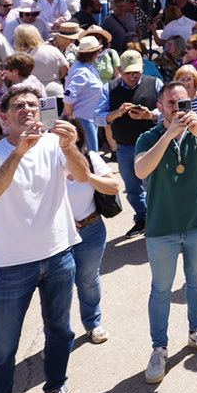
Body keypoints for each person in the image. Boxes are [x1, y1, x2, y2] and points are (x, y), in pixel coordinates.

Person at [0, 86, 92, 393]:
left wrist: (71, 145)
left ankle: (56, 389)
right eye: (18, 106)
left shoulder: (54, 144)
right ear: (4, 116)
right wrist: (19, 152)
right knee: (5, 346)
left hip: (58, 253)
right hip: (12, 264)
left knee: (60, 332)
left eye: (32, 104)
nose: (27, 110)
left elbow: (83, 176)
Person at [134, 80, 197, 383]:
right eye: (171, 104)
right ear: (160, 107)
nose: (178, 109)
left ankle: (196, 331)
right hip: (163, 225)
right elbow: (140, 170)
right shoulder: (149, 136)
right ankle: (159, 347)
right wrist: (169, 135)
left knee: (196, 280)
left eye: (183, 103)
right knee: (161, 289)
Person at [64, 121, 120, 344]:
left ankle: (93, 323)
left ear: (78, 136)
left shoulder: (90, 157)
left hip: (90, 229)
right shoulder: (45, 161)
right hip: (58, 235)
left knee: (87, 280)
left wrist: (85, 174)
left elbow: (113, 187)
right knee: (59, 288)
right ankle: (59, 336)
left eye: (68, 134)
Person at [98, 50, 162, 238]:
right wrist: (116, 113)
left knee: (155, 185)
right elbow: (97, 117)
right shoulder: (109, 88)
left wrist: (149, 115)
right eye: (128, 73)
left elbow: (167, 111)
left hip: (152, 144)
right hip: (125, 146)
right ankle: (142, 218)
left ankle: (158, 219)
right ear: (119, 70)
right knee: (132, 188)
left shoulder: (155, 83)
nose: (133, 76)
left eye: (136, 72)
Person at [64, 35, 106, 157]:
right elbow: (69, 95)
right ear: (93, 53)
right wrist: (70, 115)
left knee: (89, 154)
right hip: (83, 119)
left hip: (88, 117)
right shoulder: (82, 71)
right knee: (91, 155)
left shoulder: (84, 67)